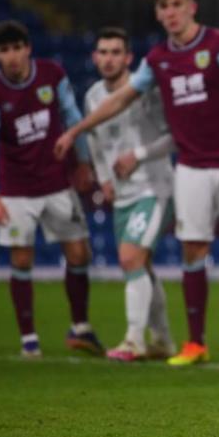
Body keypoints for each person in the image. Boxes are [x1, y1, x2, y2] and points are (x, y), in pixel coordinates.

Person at [55, 0, 219, 367]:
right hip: (190, 169)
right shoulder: (158, 59)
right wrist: (77, 129)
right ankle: (195, 344)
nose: (171, 12)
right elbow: (120, 98)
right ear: (158, 14)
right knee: (193, 249)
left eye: (177, 4)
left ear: (192, 6)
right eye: (164, 7)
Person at [0, 19, 103, 358]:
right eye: (4, 51)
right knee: (22, 258)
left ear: (28, 48)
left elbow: (73, 116)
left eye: (17, 48)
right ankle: (28, 339)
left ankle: (80, 327)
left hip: (57, 183)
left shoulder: (51, 75)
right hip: (16, 190)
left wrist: (83, 161)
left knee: (79, 253)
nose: (13, 56)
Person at [83, 27, 176, 362]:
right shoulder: (93, 96)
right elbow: (94, 142)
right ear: (95, 57)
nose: (109, 59)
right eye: (103, 52)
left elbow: (173, 138)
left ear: (128, 58)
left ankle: (133, 339)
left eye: (115, 52)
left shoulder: (147, 91)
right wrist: (104, 178)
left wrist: (136, 155)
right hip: (123, 195)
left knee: (129, 258)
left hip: (156, 187)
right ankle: (163, 340)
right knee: (141, 265)